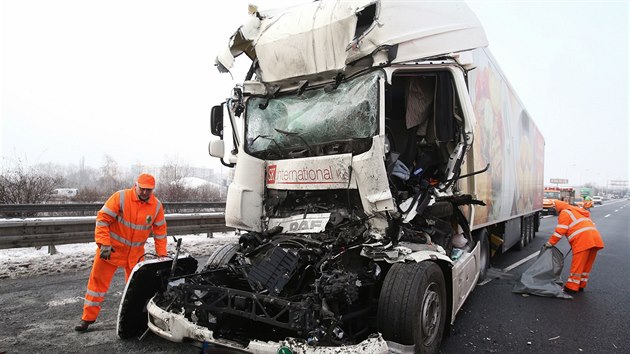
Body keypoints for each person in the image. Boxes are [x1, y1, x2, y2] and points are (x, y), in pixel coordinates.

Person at [75, 173, 168, 332]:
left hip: (135, 254)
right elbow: (102, 219)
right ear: (136, 185)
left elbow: (160, 232)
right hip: (110, 251)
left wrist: (162, 255)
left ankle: (138, 319)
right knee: (96, 286)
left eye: (149, 190)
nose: (145, 193)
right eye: (143, 189)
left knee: (138, 288)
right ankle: (87, 319)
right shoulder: (121, 197)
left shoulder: (156, 206)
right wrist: (104, 243)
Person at [543, 199, 604, 294]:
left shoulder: (565, 213)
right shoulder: (577, 211)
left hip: (583, 241)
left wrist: (550, 243)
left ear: (558, 208)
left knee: (578, 264)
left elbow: (560, 231)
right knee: (586, 265)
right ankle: (581, 285)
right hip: (595, 239)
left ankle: (571, 287)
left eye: (555, 208)